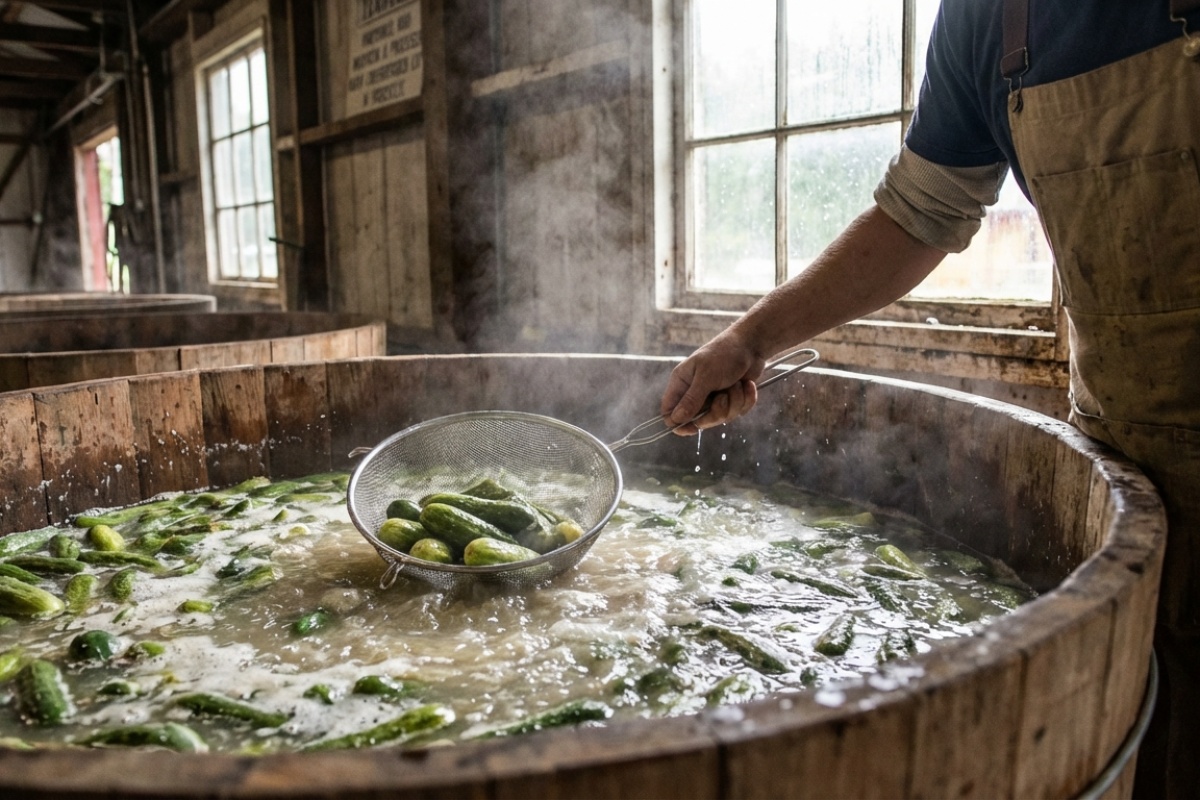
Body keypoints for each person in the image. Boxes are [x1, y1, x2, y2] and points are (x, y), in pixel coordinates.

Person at [660, 1, 1200, 797]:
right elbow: (921, 211)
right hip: (1136, 454)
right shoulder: (989, 16)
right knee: (1155, 726)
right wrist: (748, 341)